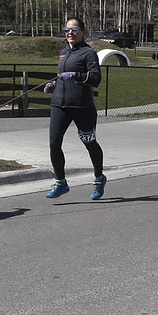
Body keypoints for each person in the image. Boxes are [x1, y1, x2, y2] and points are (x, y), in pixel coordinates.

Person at [45, 17, 107, 201]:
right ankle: (60, 182)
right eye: (67, 30)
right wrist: (54, 85)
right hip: (59, 105)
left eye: (74, 29)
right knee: (54, 144)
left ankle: (98, 178)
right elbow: (62, 76)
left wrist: (77, 75)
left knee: (89, 143)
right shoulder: (63, 53)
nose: (69, 33)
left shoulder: (88, 53)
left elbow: (95, 79)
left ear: (82, 32)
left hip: (82, 107)